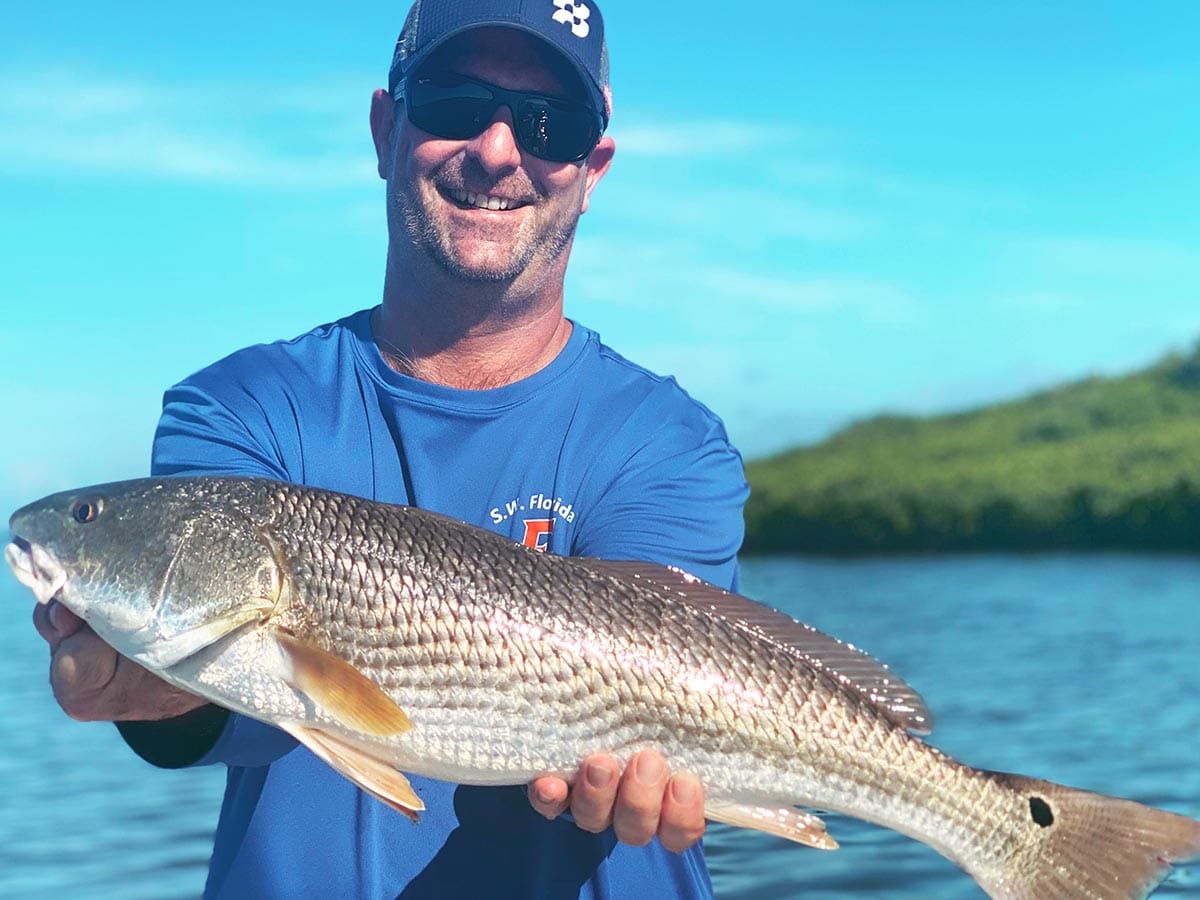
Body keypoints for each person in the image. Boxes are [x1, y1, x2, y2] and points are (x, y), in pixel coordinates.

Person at [32, 1, 748, 897]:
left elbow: (675, 664)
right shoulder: (239, 409)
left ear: (591, 169)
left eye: (548, 124)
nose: (495, 151)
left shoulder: (669, 443)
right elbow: (252, 701)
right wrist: (152, 686)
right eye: (453, 100)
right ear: (384, 127)